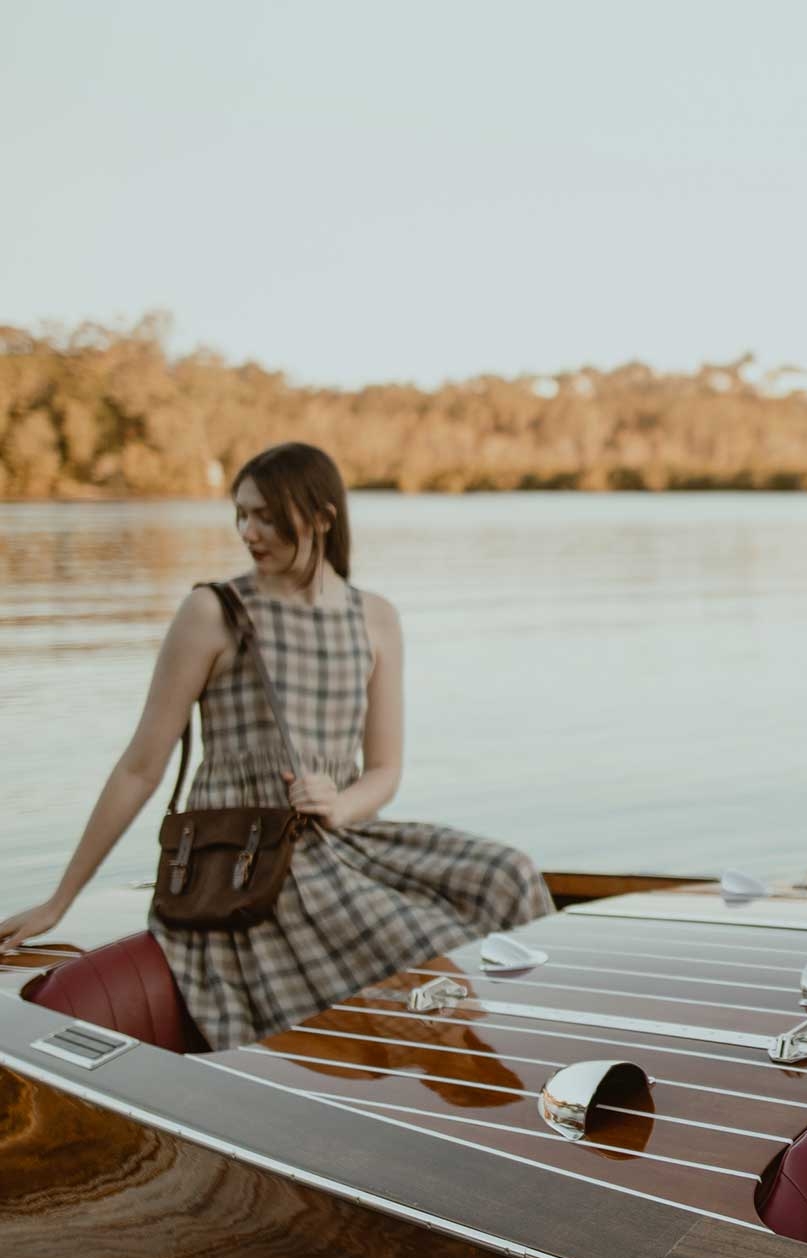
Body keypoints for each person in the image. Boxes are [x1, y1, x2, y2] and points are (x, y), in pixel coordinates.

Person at [0, 443, 552, 1047]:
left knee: (511, 875)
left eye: (265, 516)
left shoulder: (376, 619)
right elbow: (140, 766)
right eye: (241, 514)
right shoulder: (214, 611)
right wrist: (61, 898)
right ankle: (458, 1067)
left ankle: (542, 1044)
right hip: (249, 857)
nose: (248, 532)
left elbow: (385, 770)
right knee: (418, 943)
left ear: (321, 517)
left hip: (340, 837)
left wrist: (339, 805)